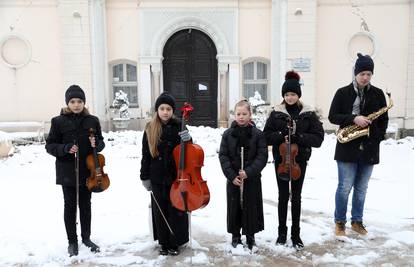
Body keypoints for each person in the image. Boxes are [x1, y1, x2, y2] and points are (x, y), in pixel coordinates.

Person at [328, 53, 389, 237]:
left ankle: (357, 221)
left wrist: (375, 136)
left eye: (369, 74)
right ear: (355, 73)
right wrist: (354, 118)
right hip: (347, 146)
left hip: (369, 148)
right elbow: (332, 116)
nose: (365, 77)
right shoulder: (342, 92)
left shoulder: (378, 94)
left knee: (362, 188)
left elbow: (383, 120)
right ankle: (340, 223)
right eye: (362, 73)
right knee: (344, 187)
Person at [263, 71, 324, 249]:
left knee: (296, 197)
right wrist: (281, 134)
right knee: (282, 197)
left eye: (293, 94)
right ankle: (282, 233)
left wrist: (300, 137)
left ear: (298, 95)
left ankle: (295, 234)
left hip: (299, 161)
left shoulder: (308, 114)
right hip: (281, 161)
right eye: (287, 94)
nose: (290, 97)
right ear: (283, 96)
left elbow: (319, 138)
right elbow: (266, 137)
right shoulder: (276, 114)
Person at [46, 85, 105, 256]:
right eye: (72, 101)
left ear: (84, 103)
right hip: (67, 172)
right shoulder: (58, 121)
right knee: (70, 206)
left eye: (79, 101)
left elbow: (101, 142)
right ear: (67, 103)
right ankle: (72, 241)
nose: (76, 104)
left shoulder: (92, 120)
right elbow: (50, 145)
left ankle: (86, 238)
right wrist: (64, 148)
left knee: (86, 205)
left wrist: (98, 144)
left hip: (88, 171)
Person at [140, 92, 191, 256]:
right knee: (160, 210)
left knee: (175, 209)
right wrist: (144, 177)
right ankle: (163, 242)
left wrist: (188, 137)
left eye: (168, 109)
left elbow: (188, 150)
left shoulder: (179, 126)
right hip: (156, 177)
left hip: (176, 176)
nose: (165, 112)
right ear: (157, 110)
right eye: (162, 108)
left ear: (172, 110)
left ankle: (175, 242)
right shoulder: (150, 128)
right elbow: (146, 155)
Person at [219, 100, 268, 250]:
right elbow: (223, 156)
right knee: (235, 207)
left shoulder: (258, 135)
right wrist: (232, 176)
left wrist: (249, 172)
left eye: (244, 114)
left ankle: (250, 235)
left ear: (250, 115)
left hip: (251, 179)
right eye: (238, 114)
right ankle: (235, 235)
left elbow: (262, 156)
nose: (241, 117)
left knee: (251, 207)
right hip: (234, 179)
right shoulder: (227, 135)